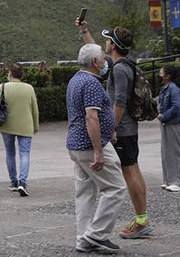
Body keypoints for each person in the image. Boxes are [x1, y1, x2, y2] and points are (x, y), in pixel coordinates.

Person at [79, 20, 153, 239]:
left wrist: (110, 127)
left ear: (113, 45)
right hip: (129, 128)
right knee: (133, 170)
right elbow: (97, 57)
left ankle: (141, 220)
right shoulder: (124, 64)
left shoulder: (119, 70)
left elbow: (119, 101)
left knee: (129, 172)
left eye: (107, 40)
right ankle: (142, 217)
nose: (105, 44)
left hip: (123, 129)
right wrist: (84, 31)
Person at [67, 43, 127, 254]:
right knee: (115, 188)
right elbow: (91, 117)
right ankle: (96, 234)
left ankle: (82, 239)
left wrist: (109, 128)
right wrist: (99, 150)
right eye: (102, 58)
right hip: (90, 145)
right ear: (95, 62)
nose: (105, 62)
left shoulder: (75, 80)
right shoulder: (92, 83)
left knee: (84, 193)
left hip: (75, 144)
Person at [0, 63, 39, 195]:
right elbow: (35, 109)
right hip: (26, 125)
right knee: (25, 153)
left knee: (10, 153)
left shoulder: (3, 87)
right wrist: (36, 126)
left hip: (7, 125)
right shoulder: (29, 88)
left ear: (10, 73)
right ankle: (23, 182)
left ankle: (14, 182)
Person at [157, 64, 180, 192]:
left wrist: (164, 116)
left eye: (161, 72)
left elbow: (176, 106)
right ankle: (169, 180)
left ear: (168, 76)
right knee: (166, 152)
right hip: (167, 123)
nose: (160, 74)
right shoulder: (167, 88)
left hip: (172, 122)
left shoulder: (173, 88)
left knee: (175, 152)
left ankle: (179, 182)